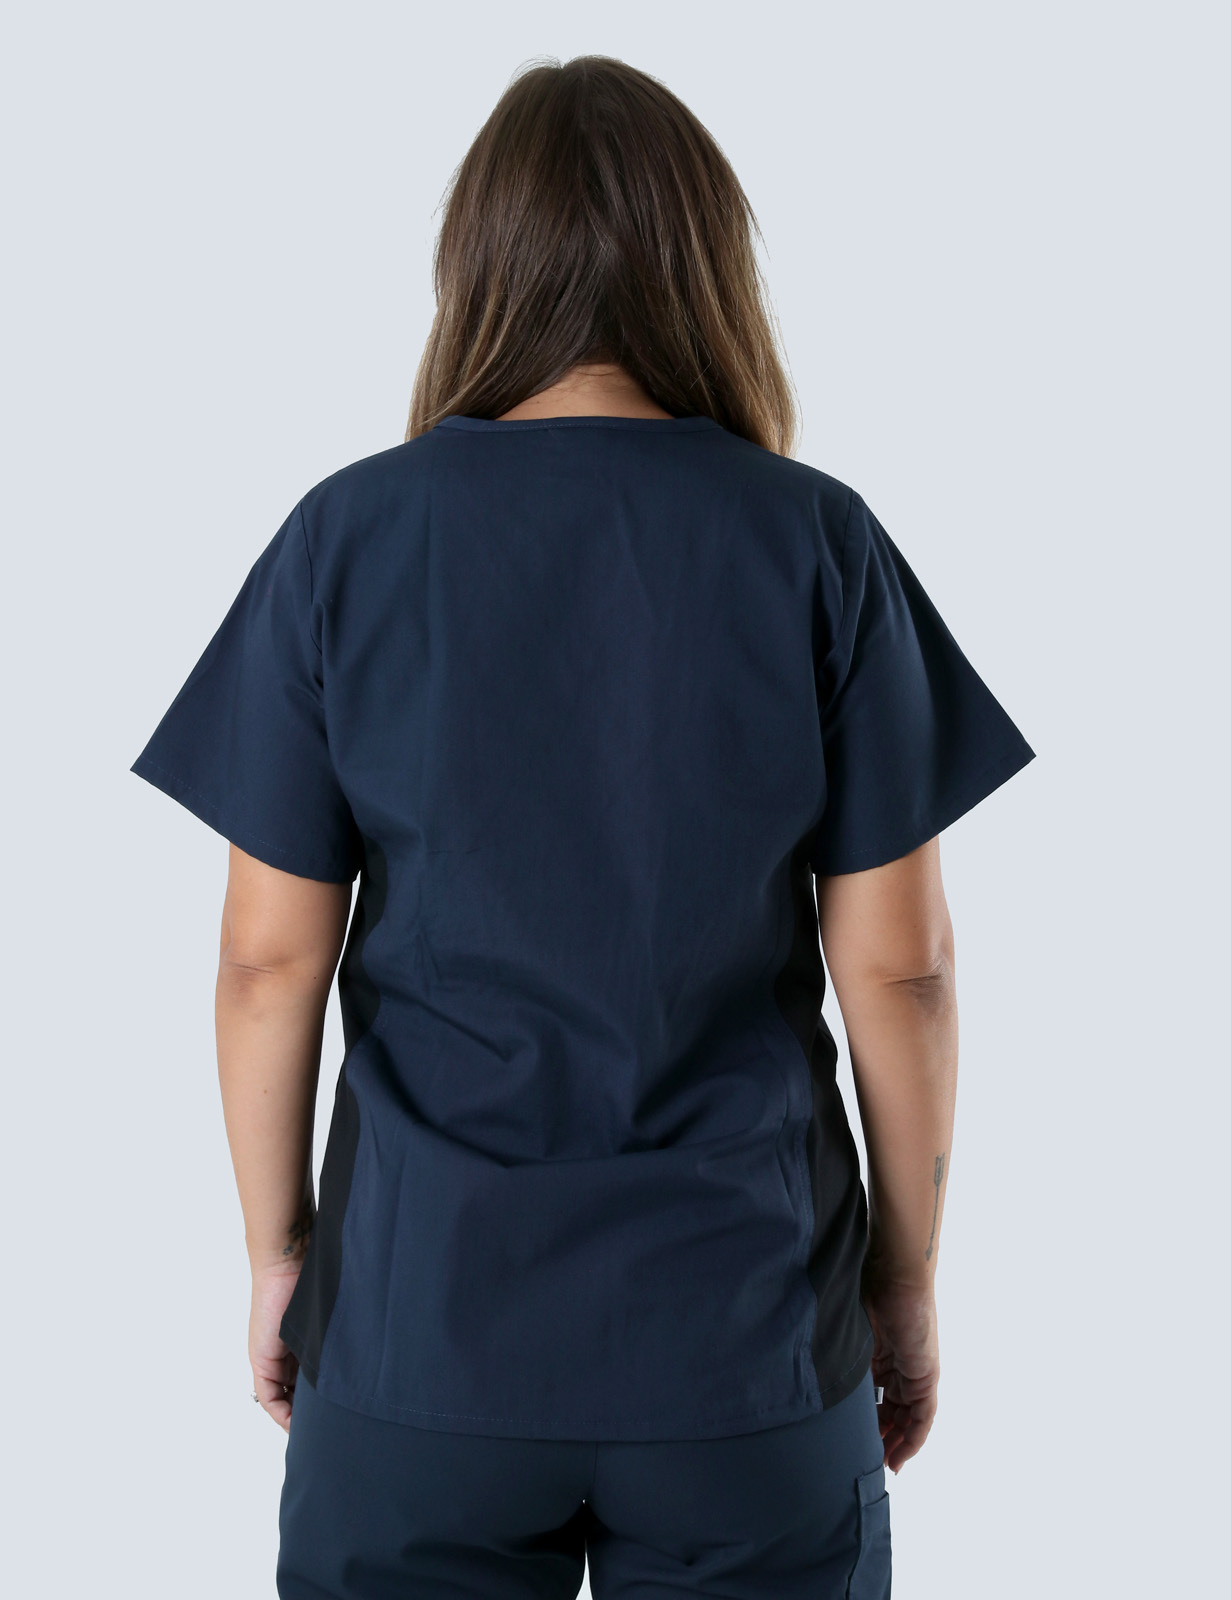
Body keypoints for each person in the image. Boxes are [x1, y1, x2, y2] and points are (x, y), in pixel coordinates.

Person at [129, 53, 1035, 1600]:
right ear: (708, 270)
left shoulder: (345, 539)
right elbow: (904, 972)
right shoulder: (817, 542)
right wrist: (906, 1278)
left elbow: (267, 965)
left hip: (419, 1337)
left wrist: (282, 1258)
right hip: (744, 1347)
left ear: (479, 267)